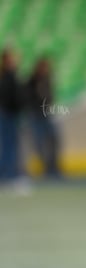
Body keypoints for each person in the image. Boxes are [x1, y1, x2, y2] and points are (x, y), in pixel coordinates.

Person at [24, 57, 61, 178]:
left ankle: (53, 166)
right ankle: (45, 166)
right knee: (39, 142)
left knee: (54, 139)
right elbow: (30, 98)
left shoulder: (47, 79)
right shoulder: (32, 80)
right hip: (35, 114)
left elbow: (50, 96)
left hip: (47, 113)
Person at [0, 48, 23, 181]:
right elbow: (9, 96)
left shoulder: (9, 75)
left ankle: (8, 174)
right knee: (9, 145)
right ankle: (8, 175)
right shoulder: (7, 76)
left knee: (10, 144)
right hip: (7, 114)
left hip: (10, 114)